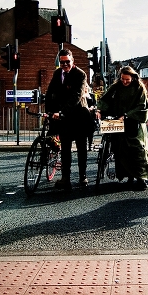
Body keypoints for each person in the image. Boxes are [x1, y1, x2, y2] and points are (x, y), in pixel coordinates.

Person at [44, 48, 96, 192]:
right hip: (64, 118)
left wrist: (61, 112)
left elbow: (76, 96)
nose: (65, 64)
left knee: (81, 149)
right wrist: (48, 111)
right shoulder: (57, 73)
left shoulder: (80, 74)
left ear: (72, 61)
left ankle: (82, 176)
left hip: (79, 116)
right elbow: (50, 93)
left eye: (67, 62)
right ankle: (65, 178)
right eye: (62, 62)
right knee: (65, 149)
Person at [99, 65, 148, 190]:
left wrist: (127, 115)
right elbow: (105, 99)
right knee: (121, 151)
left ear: (133, 78)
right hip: (118, 123)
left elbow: (142, 107)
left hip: (135, 123)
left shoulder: (139, 88)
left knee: (138, 151)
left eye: (127, 80)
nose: (124, 82)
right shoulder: (116, 86)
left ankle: (141, 178)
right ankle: (129, 176)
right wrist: (99, 109)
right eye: (122, 79)